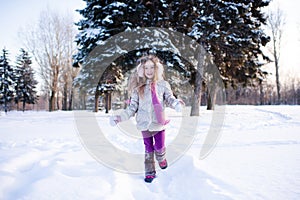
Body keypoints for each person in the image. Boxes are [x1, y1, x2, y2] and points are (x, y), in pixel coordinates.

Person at [110, 55, 184, 183]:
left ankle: (161, 159)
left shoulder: (163, 85)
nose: (149, 70)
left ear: (157, 69)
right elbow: (132, 108)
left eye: (152, 67)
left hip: (158, 122)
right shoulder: (138, 88)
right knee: (148, 148)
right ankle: (149, 171)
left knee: (159, 147)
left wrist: (176, 103)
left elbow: (169, 98)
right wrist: (120, 117)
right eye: (146, 68)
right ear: (141, 70)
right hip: (144, 124)